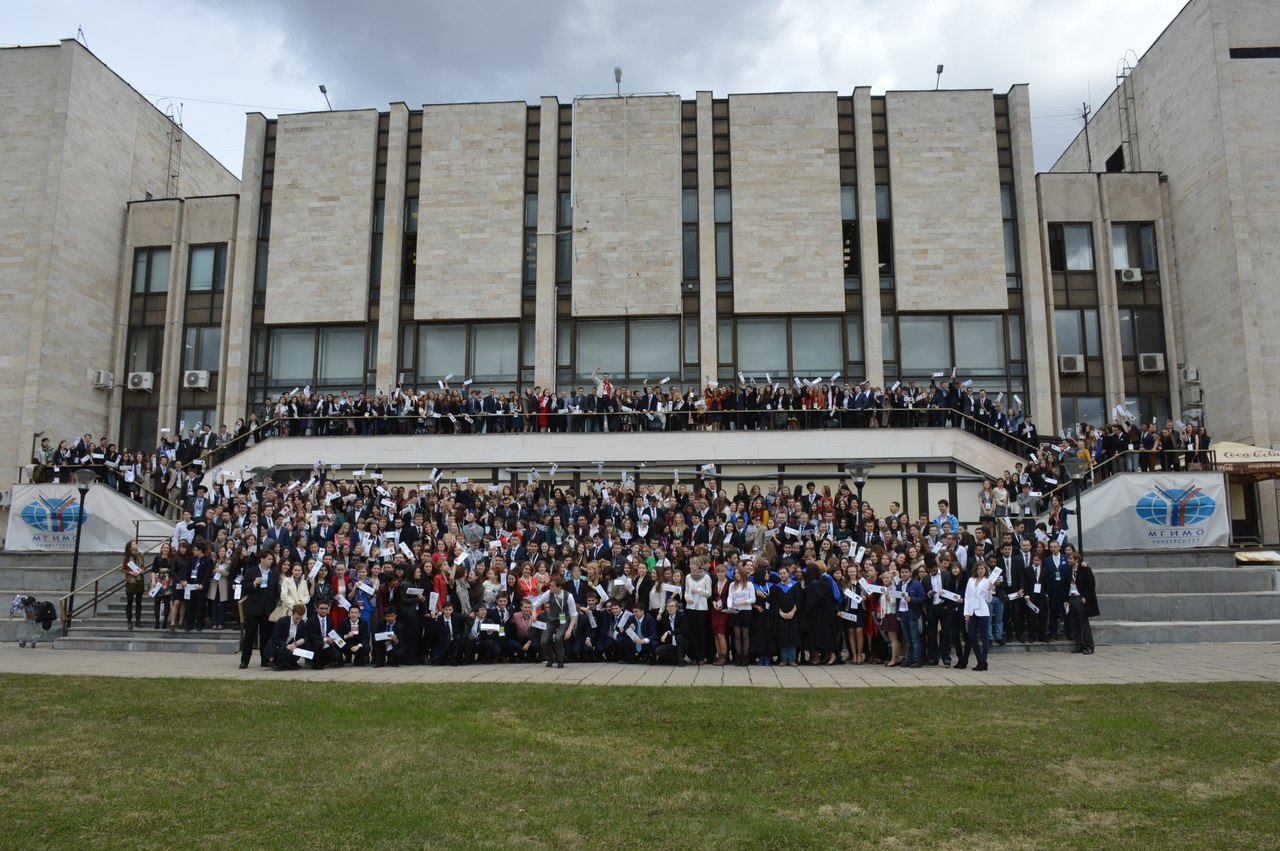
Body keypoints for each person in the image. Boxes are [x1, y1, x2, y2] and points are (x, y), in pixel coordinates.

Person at [239, 552, 280, 669]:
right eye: (269, 559)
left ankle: (265, 659)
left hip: (268, 609)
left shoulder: (274, 573)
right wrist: (253, 584)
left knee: (266, 636)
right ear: (262, 559)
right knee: (249, 636)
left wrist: (275, 604)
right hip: (253, 608)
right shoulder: (251, 571)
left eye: (272, 559)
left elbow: (276, 591)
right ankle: (244, 660)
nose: (271, 561)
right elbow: (244, 587)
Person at [539, 575, 577, 669]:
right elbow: (537, 603)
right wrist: (534, 614)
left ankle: (560, 661)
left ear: (559, 587)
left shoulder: (569, 596)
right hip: (552, 618)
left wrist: (569, 630)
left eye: (552, 586)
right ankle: (551, 658)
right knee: (543, 641)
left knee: (558, 637)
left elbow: (574, 615)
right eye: (550, 585)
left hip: (564, 620)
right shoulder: (548, 593)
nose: (550, 587)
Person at [770, 564, 803, 666]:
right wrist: (781, 613)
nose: (782, 575)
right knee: (783, 637)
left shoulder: (796, 585)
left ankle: (792, 659)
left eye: (784, 573)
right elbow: (776, 603)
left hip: (793, 615)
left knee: (792, 636)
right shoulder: (776, 587)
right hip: (782, 616)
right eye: (780, 574)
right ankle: (784, 659)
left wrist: (792, 612)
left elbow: (799, 601)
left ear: (788, 573)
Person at [963, 562, 994, 672]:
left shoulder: (987, 581)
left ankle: (983, 661)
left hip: (982, 611)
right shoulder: (971, 580)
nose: (980, 570)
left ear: (985, 570)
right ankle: (980, 660)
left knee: (984, 637)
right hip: (971, 611)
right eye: (979, 568)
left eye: (982, 568)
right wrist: (966, 612)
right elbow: (967, 596)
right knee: (971, 636)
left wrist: (989, 589)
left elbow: (989, 599)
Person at [1067, 552, 1098, 655]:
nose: (1069, 560)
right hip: (1071, 598)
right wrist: (1065, 600)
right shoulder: (1068, 570)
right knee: (1075, 624)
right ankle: (1078, 645)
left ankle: (1089, 645)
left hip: (1080, 598)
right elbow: (1065, 585)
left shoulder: (1085, 569)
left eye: (1071, 559)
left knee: (1083, 623)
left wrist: (1085, 597)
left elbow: (1091, 584)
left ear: (1076, 560)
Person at [266, 603, 309, 671]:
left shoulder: (302, 623)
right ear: (293, 614)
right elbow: (275, 637)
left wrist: (302, 640)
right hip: (279, 645)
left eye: (300, 618)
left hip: (293, 644)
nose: (298, 621)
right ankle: (277, 662)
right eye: (296, 618)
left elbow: (306, 637)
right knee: (287, 650)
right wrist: (286, 646)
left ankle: (290, 662)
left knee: (306, 646)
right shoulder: (282, 621)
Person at [654, 597, 689, 666]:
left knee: (679, 637)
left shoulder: (682, 616)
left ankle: (680, 662)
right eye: (668, 606)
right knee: (658, 650)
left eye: (672, 606)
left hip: (683, 643)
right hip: (671, 644)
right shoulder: (665, 617)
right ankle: (676, 659)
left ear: (676, 608)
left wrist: (669, 632)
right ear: (666, 608)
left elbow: (684, 629)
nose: (670, 608)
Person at [119, 541, 145, 630]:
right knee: (129, 603)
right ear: (130, 547)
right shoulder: (127, 557)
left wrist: (141, 570)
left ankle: (138, 621)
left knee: (139, 602)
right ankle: (129, 621)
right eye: (134, 544)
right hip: (130, 582)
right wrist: (130, 572)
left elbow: (143, 566)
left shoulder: (140, 555)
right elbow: (122, 569)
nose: (136, 545)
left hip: (139, 581)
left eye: (135, 544)